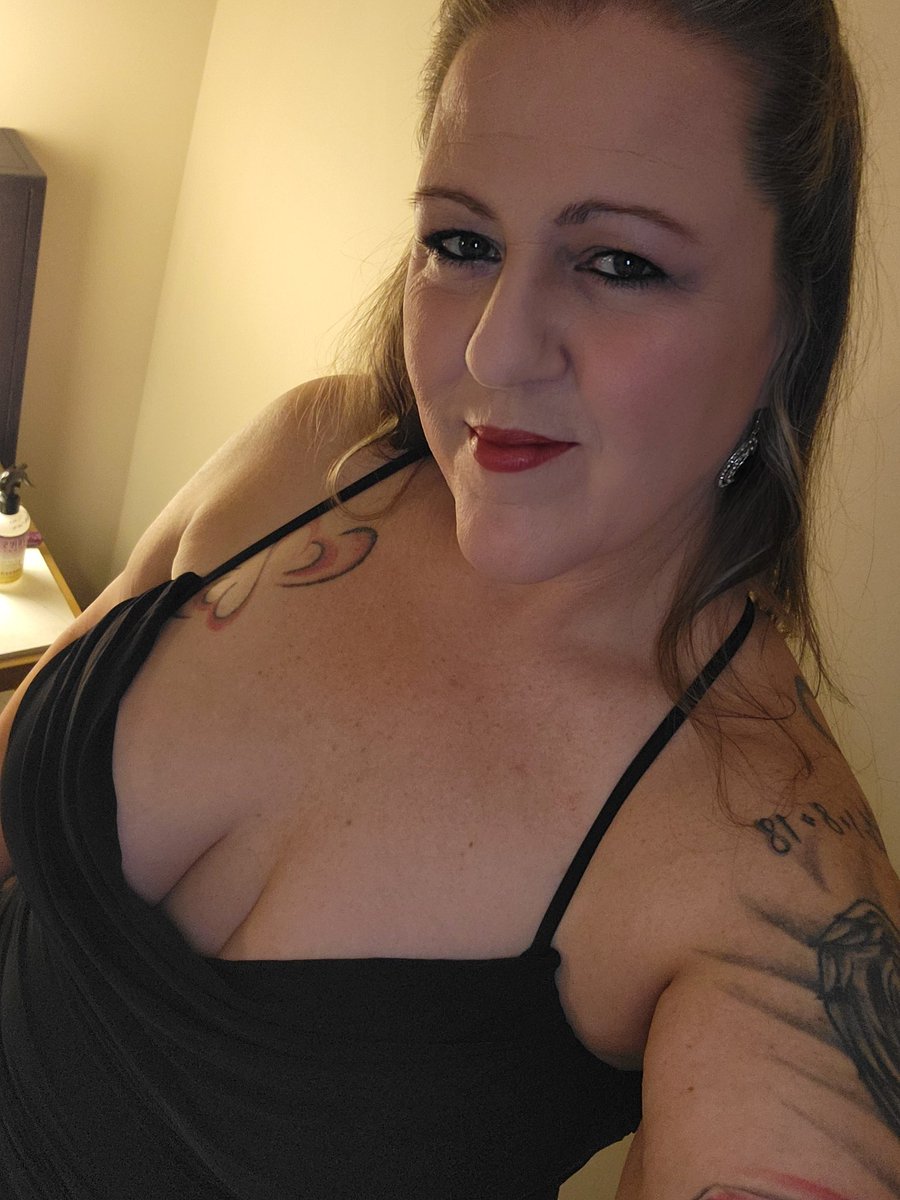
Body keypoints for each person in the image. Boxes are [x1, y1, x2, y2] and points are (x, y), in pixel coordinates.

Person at [0, 0, 897, 1196]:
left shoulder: (772, 892)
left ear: (791, 319)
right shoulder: (310, 457)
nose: (492, 353)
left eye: (621, 263)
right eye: (462, 242)